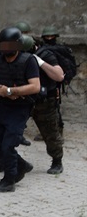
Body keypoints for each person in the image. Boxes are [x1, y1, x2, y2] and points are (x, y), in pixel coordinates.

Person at [0, 27, 40, 192]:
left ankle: (9, 180)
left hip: (20, 108)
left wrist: (12, 91)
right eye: (3, 44)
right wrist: (2, 91)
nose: (6, 48)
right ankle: (20, 165)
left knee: (8, 144)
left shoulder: (28, 60)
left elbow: (35, 86)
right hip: (2, 106)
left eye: (10, 44)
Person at [30, 26, 66, 174]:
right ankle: (5, 159)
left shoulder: (45, 54)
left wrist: (40, 62)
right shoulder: (14, 54)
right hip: (23, 100)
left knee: (51, 133)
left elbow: (59, 76)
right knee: (6, 130)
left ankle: (57, 161)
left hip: (45, 101)